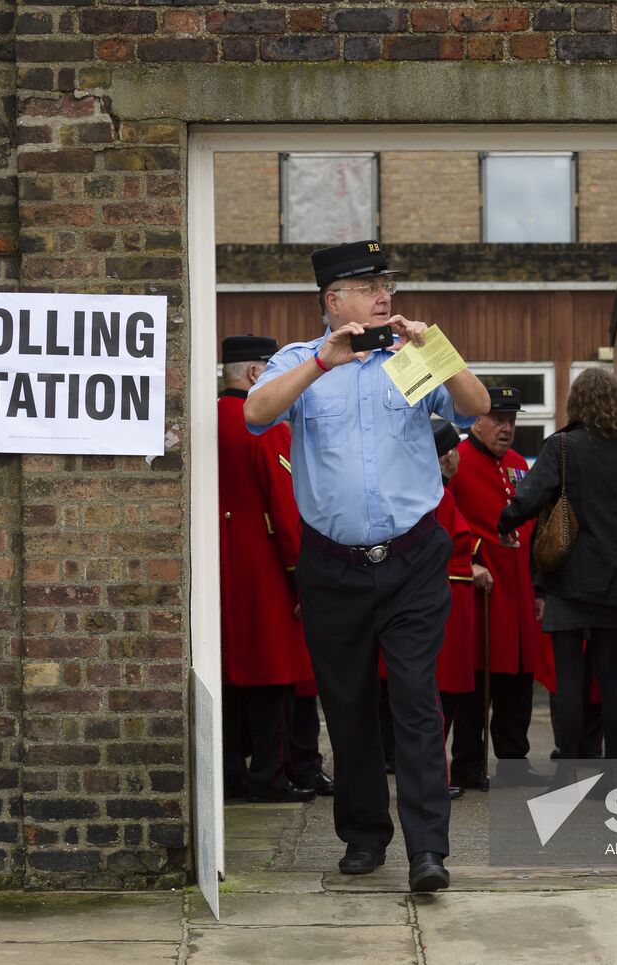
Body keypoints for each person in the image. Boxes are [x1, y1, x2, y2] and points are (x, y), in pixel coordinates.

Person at [243, 240, 490, 893]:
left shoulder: (408, 360)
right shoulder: (302, 362)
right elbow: (254, 414)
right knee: (347, 702)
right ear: (334, 301)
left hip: (412, 557)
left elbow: (474, 404)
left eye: (386, 283)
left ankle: (428, 849)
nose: (384, 294)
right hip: (332, 566)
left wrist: (432, 347)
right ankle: (363, 835)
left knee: (415, 701)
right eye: (367, 284)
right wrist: (323, 362)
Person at [498, 368, 617, 768]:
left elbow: (530, 497)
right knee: (608, 675)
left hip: (569, 578)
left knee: (570, 677)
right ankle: (610, 773)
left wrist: (506, 523)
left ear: (577, 403)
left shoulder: (563, 447)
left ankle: (566, 772)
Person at [218, 335, 317, 804]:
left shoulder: (210, 419)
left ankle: (231, 772)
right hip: (268, 571)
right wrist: (303, 574)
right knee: (274, 677)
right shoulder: (265, 426)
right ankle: (271, 776)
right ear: (257, 376)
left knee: (232, 677)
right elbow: (285, 506)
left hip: (223, 569)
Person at [448, 389, 548, 789]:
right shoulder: (457, 460)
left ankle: (514, 761)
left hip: (519, 586)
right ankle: (468, 762)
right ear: (476, 420)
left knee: (518, 679)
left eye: (511, 421)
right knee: (476, 681)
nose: (507, 429)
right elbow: (443, 514)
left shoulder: (517, 462)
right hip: (482, 588)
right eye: (498, 420)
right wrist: (468, 559)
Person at [432, 418, 492, 799]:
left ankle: (444, 773)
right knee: (440, 694)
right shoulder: (434, 494)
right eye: (449, 451)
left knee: (452, 693)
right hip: (445, 602)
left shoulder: (443, 491)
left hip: (457, 601)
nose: (455, 457)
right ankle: (435, 775)